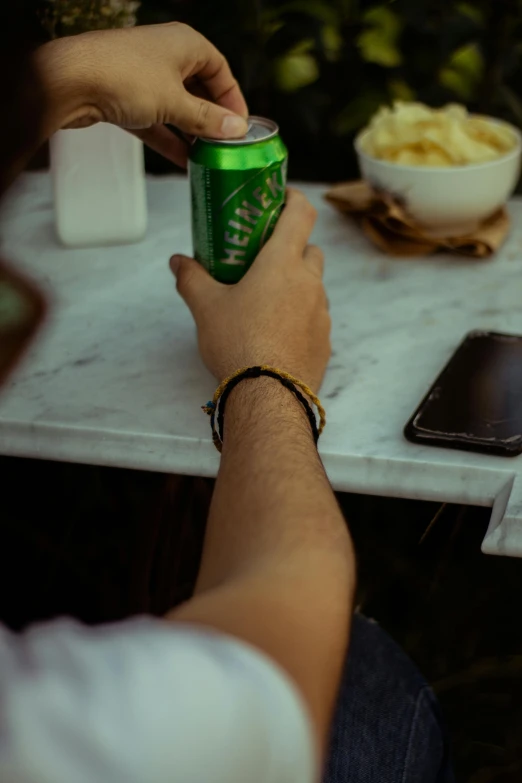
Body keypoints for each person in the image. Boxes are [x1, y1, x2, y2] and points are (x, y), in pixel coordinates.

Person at [0, 12, 455, 783]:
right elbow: (285, 636)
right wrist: (268, 369)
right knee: (368, 674)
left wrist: (61, 77)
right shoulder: (46, 731)